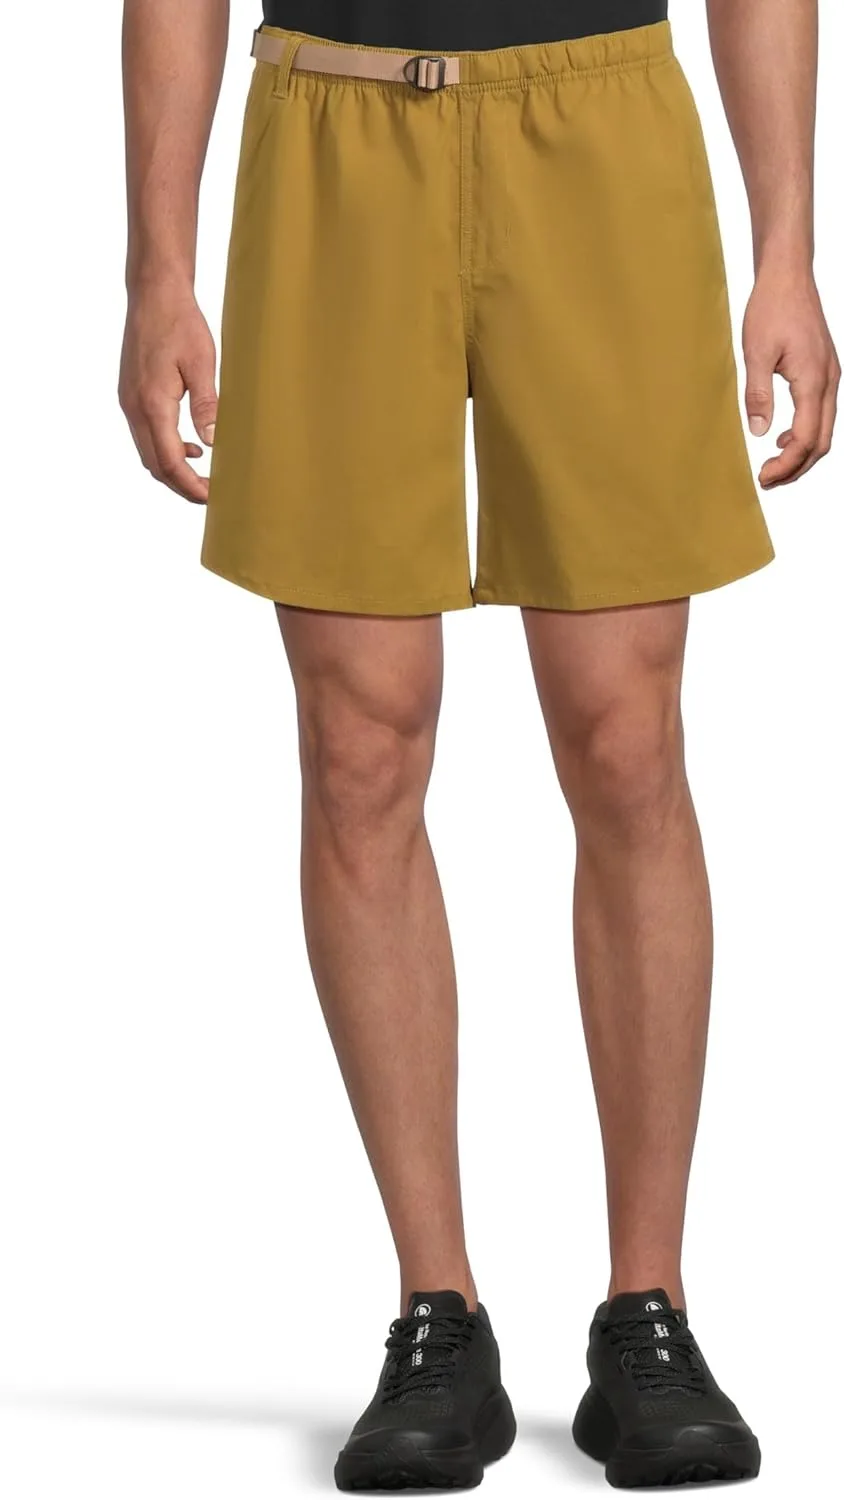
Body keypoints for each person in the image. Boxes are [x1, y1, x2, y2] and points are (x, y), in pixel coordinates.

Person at [119, 0, 838, 1490]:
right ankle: (436, 1313)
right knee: (359, 747)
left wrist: (788, 246)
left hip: (600, 115)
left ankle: (649, 1312)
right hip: (332, 125)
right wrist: (158, 266)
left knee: (625, 736)